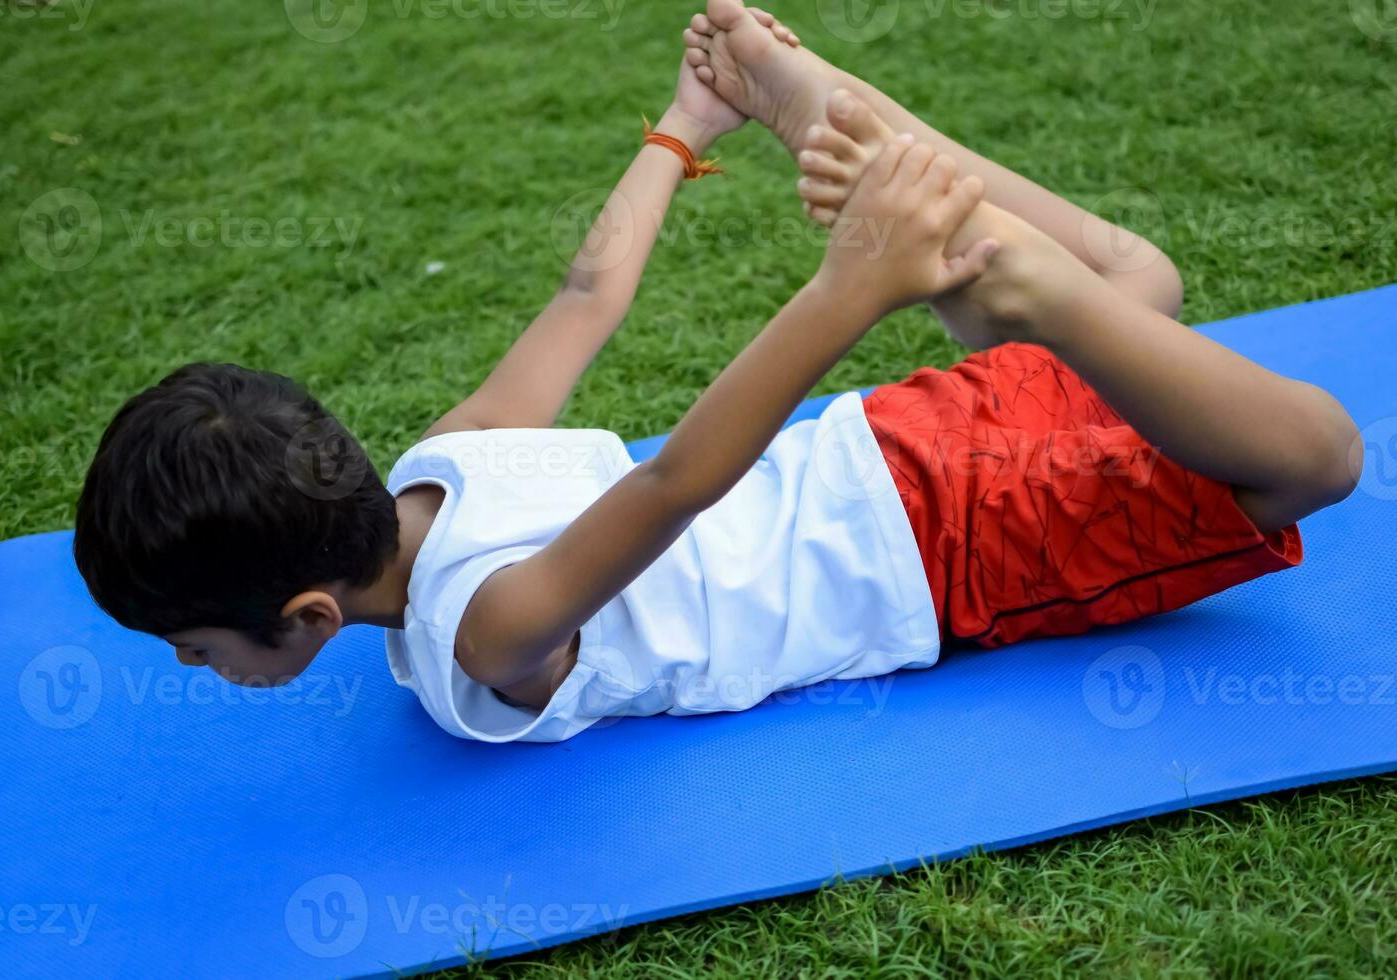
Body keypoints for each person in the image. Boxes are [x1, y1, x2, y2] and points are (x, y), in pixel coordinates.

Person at [73, 2, 1358, 743]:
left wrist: (851, 285)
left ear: (304, 614)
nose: (199, 668)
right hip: (882, 442)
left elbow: (683, 479)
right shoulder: (442, 456)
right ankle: (924, 178)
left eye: (195, 648)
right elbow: (591, 293)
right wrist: (680, 130)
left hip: (948, 547)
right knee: (1142, 286)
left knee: (1312, 463)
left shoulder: (484, 642)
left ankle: (994, 275)